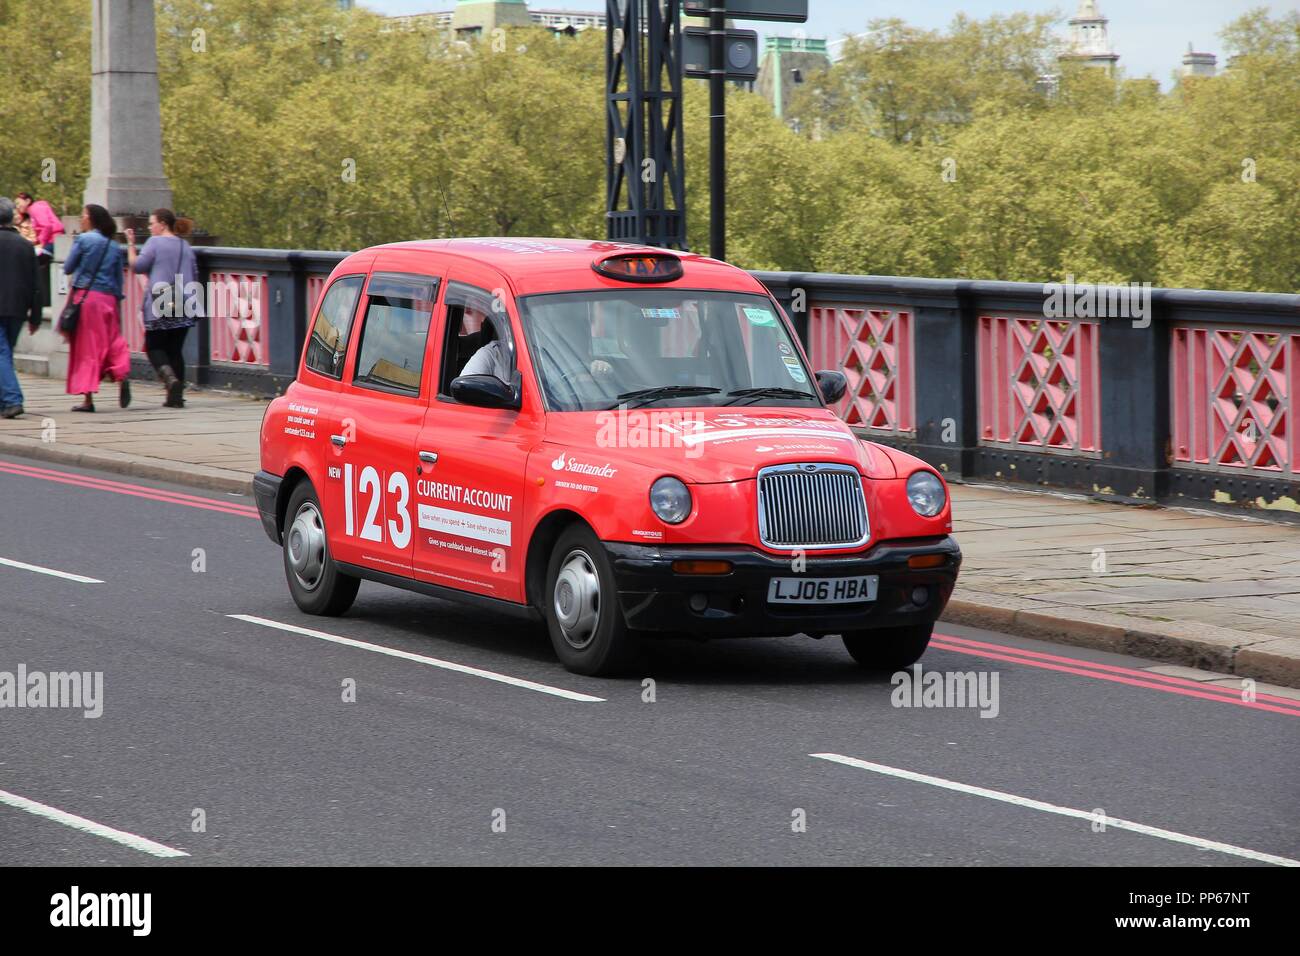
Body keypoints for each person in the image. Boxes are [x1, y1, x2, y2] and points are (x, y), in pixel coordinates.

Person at [126, 209, 200, 408]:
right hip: (185, 301)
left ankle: (170, 380)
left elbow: (137, 266)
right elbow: (194, 273)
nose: (150, 228)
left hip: (161, 300)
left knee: (154, 346)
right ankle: (176, 397)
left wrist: (131, 245)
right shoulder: (185, 245)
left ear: (163, 224)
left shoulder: (154, 243)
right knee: (175, 350)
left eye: (152, 223)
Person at [62, 204, 131, 412]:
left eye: (83, 215)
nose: (81, 218)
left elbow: (68, 267)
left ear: (91, 219)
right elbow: (119, 279)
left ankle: (88, 399)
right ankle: (122, 373)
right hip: (109, 299)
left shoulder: (83, 239)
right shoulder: (114, 245)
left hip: (87, 298)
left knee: (87, 347)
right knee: (112, 340)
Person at [0, 198, 41, 419]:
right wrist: (35, 316)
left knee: (1, 353)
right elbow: (36, 284)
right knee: (5, 352)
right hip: (17, 308)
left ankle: (12, 399)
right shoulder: (25, 245)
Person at [15, 192, 64, 310]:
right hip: (51, 240)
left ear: (27, 201)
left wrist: (41, 242)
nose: (17, 206)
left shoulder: (35, 208)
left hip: (52, 241)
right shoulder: (34, 210)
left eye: (18, 203)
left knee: (30, 265)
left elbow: (47, 226)